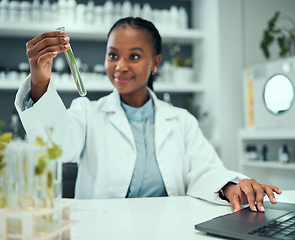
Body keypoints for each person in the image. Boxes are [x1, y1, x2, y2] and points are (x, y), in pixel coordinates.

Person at [15, 17, 281, 213]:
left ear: (155, 62)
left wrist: (231, 187)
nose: (120, 66)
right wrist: (40, 80)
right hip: (103, 230)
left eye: (134, 56)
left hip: (168, 228)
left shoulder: (181, 120)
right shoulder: (88, 112)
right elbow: (57, 147)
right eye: (112, 55)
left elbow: (205, 170)